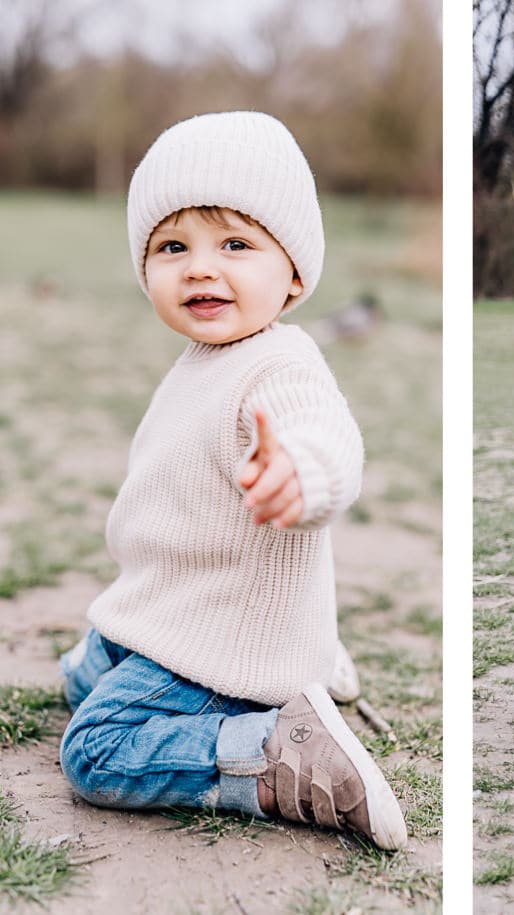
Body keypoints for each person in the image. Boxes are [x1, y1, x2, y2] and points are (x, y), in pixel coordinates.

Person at [57, 111, 406, 850]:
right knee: (83, 673)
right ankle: (311, 659)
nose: (200, 267)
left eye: (236, 244)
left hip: (227, 632)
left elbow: (324, 434)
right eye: (172, 246)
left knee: (95, 750)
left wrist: (301, 472)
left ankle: (274, 750)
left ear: (296, 273)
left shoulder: (279, 363)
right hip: (176, 606)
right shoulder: (205, 359)